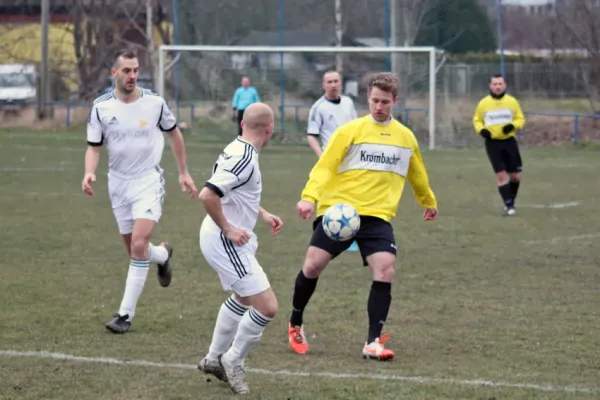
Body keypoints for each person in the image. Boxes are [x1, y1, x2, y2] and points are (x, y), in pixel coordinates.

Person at [287, 72, 438, 361]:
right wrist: (309, 197)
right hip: (339, 212)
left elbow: (417, 173)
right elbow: (324, 166)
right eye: (374, 100)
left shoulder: (405, 138)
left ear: (395, 100)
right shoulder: (350, 131)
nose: (379, 107)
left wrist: (428, 201)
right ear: (367, 97)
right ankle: (295, 322)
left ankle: (372, 342)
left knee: (385, 269)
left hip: (377, 216)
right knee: (312, 266)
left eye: (385, 102)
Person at [82, 49, 198, 334]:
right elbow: (93, 147)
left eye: (135, 70)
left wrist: (183, 172)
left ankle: (124, 315)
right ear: (114, 73)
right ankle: (163, 256)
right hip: (117, 184)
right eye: (126, 71)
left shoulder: (155, 103)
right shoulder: (101, 107)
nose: (132, 75)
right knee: (138, 251)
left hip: (148, 180)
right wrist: (89, 171)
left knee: (137, 245)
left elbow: (174, 134)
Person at [197, 102, 283, 394]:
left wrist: (263, 213)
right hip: (224, 239)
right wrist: (229, 228)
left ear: (243, 124)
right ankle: (232, 360)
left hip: (222, 236)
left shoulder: (237, 148)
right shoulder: (245, 157)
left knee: (244, 299)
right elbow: (207, 195)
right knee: (267, 306)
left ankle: (213, 358)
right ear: (269, 130)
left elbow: (234, 190)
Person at [306, 70, 360, 252]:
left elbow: (356, 127)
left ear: (341, 83)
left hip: (352, 157)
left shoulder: (348, 102)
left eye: (336, 81)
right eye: (329, 81)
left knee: (355, 195)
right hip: (332, 159)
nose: (333, 84)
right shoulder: (318, 107)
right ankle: (331, 234)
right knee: (332, 198)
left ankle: (354, 235)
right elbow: (311, 135)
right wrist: (322, 156)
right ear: (323, 85)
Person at [473, 73, 526, 216]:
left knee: (514, 176)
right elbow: (477, 120)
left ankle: (511, 200)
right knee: (501, 175)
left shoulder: (512, 102)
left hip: (509, 142)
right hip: (493, 144)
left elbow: (520, 119)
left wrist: (513, 125)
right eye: (494, 84)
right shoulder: (483, 103)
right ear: (490, 86)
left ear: (505, 85)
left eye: (500, 84)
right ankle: (509, 207)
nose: (497, 87)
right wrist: (481, 130)